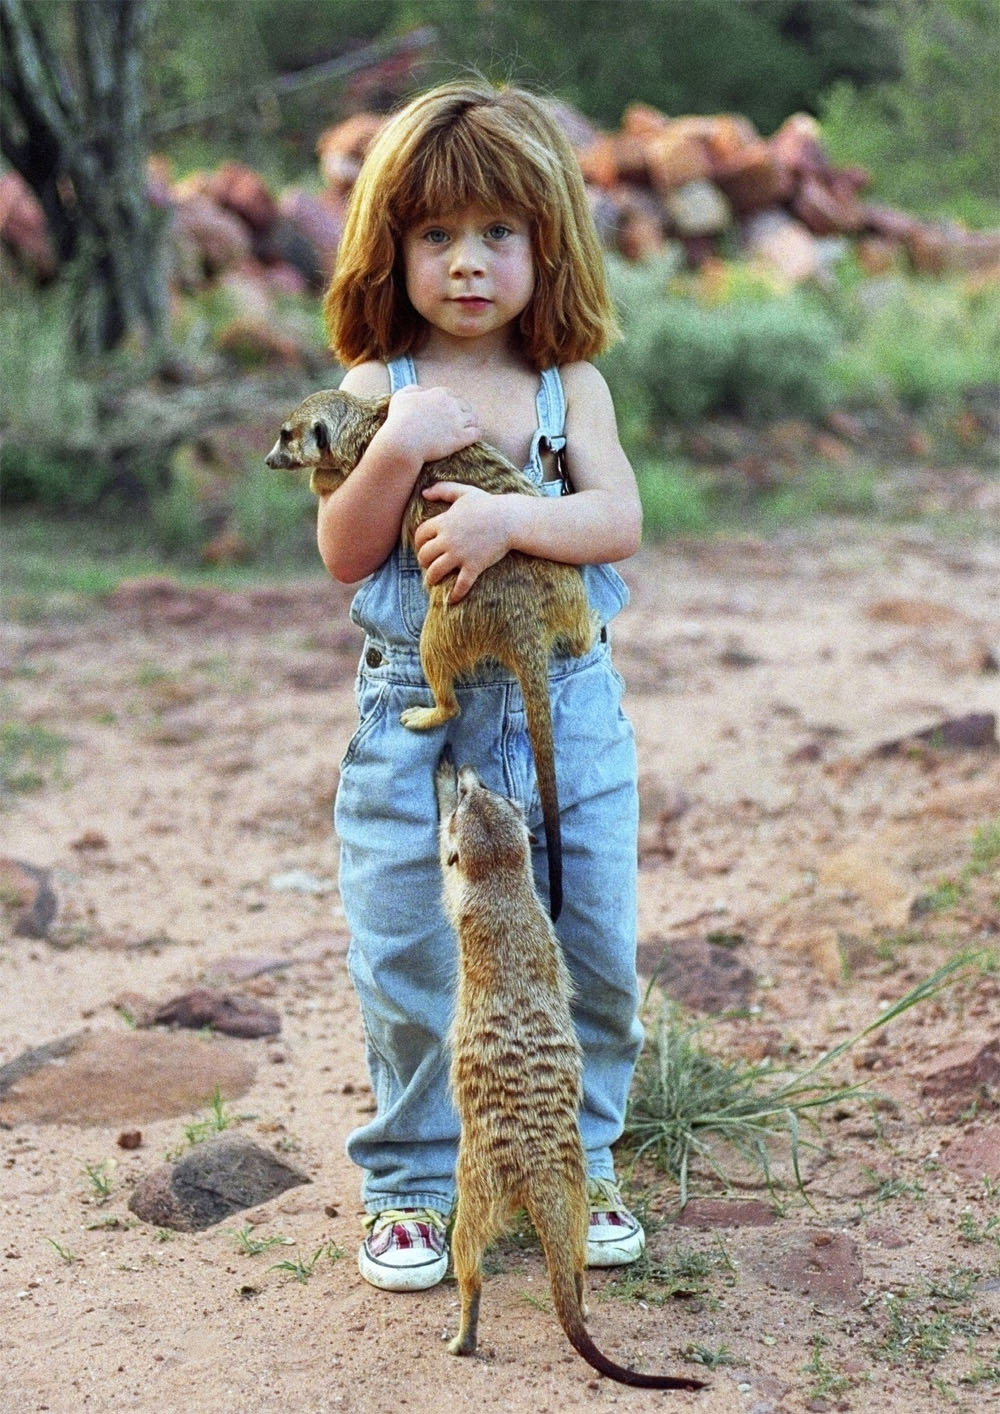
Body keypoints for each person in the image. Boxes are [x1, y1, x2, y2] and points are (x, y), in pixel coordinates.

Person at [318, 79, 645, 1293]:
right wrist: (395, 445)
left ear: (545, 241)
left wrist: (513, 516)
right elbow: (346, 555)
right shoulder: (373, 389)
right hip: (418, 716)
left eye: (498, 233)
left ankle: (582, 1156)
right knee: (409, 949)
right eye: (437, 235)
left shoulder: (571, 389)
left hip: (567, 705)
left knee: (588, 938)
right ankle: (410, 1181)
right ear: (391, 247)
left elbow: (617, 518)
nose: (467, 264)